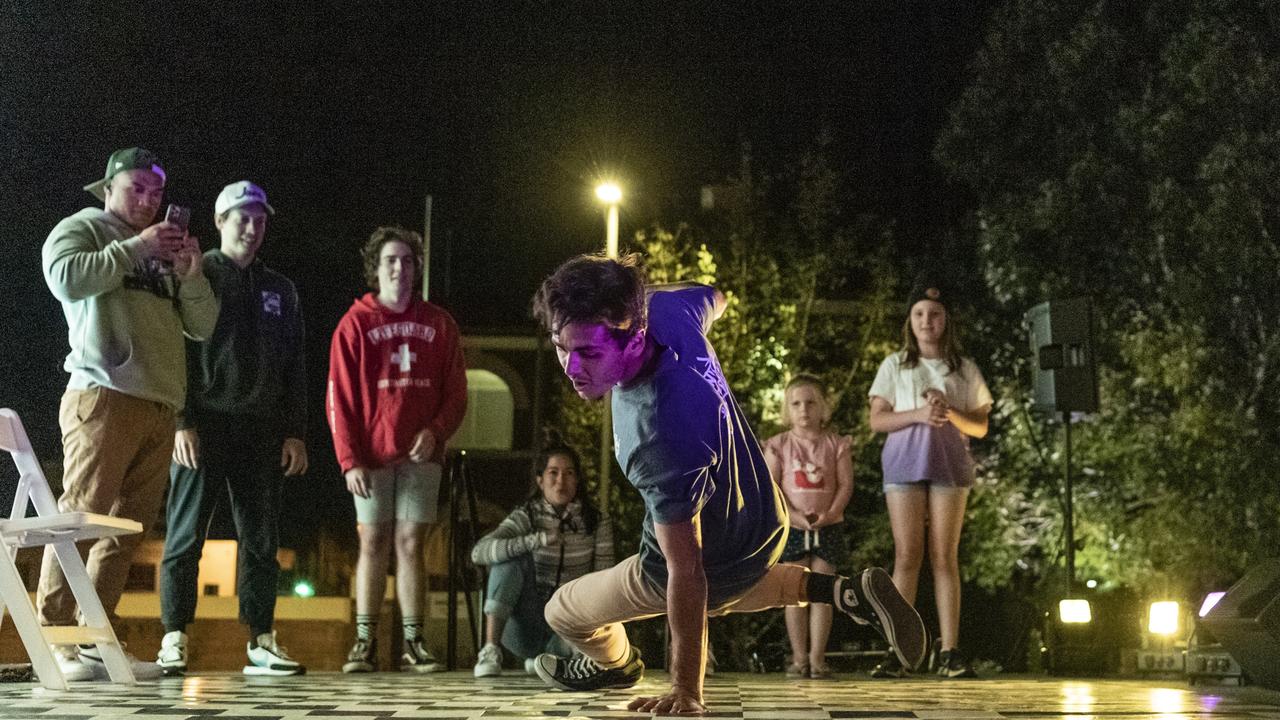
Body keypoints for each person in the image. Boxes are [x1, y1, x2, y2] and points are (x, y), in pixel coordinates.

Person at [529, 254, 926, 715]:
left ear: (634, 335)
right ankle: (844, 592)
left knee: (563, 611)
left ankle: (618, 665)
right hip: (762, 522)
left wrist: (686, 689)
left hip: (701, 560)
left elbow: (687, 572)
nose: (572, 367)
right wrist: (636, 293)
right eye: (562, 347)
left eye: (591, 352)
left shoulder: (655, 435)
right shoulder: (670, 310)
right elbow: (714, 295)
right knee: (735, 582)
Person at [39, 147, 219, 681]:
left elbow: (204, 326)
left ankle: (95, 639)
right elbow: (65, 279)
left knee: (126, 530)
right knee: (81, 516)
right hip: (104, 392)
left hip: (160, 402)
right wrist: (133, 247)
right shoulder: (84, 228)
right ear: (109, 188)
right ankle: (56, 638)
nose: (147, 200)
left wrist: (190, 274)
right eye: (136, 188)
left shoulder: (168, 249)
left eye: (156, 192)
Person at [156, 181, 307, 677]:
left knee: (262, 542)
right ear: (220, 222)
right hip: (204, 425)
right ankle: (174, 636)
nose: (251, 226)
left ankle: (261, 639)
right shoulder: (196, 274)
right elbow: (175, 351)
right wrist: (182, 421)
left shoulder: (280, 289)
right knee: (185, 537)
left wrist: (295, 431)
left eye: (259, 218)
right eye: (241, 217)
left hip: (262, 429)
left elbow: (296, 364)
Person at [326, 226, 467, 673]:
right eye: (390, 259)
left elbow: (457, 392)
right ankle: (364, 642)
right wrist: (349, 460)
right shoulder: (354, 324)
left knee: (411, 544)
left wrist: (437, 431)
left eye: (406, 260)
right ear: (376, 267)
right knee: (372, 542)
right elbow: (338, 399)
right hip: (370, 455)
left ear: (416, 268)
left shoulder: (439, 324)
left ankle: (413, 642)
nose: (398, 267)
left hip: (421, 456)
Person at [867, 275, 992, 679]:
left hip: (949, 467)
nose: (927, 320)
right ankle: (900, 649)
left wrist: (948, 410)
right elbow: (877, 418)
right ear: (910, 320)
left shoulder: (964, 368)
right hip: (904, 464)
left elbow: (981, 425)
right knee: (907, 555)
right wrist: (919, 414)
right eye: (919, 313)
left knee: (944, 556)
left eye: (935, 314)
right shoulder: (895, 365)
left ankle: (950, 650)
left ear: (946, 320)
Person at [471, 441, 614, 678]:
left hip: (567, 621)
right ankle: (490, 650)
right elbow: (479, 552)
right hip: (524, 623)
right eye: (553, 473)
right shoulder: (526, 515)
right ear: (540, 480)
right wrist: (535, 540)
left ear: (577, 480)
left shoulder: (597, 521)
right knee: (508, 558)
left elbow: (604, 578)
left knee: (601, 593)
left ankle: (547, 660)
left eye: (569, 473)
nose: (561, 481)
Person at [763, 374, 854, 680]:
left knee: (822, 592)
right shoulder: (779, 446)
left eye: (811, 402)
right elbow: (772, 487)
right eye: (796, 403)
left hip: (828, 525)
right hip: (793, 526)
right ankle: (799, 658)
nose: (804, 409)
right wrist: (794, 516)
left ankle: (818, 658)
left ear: (823, 407)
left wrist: (831, 513)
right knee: (794, 591)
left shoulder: (835, 444)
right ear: (787, 409)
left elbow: (845, 485)